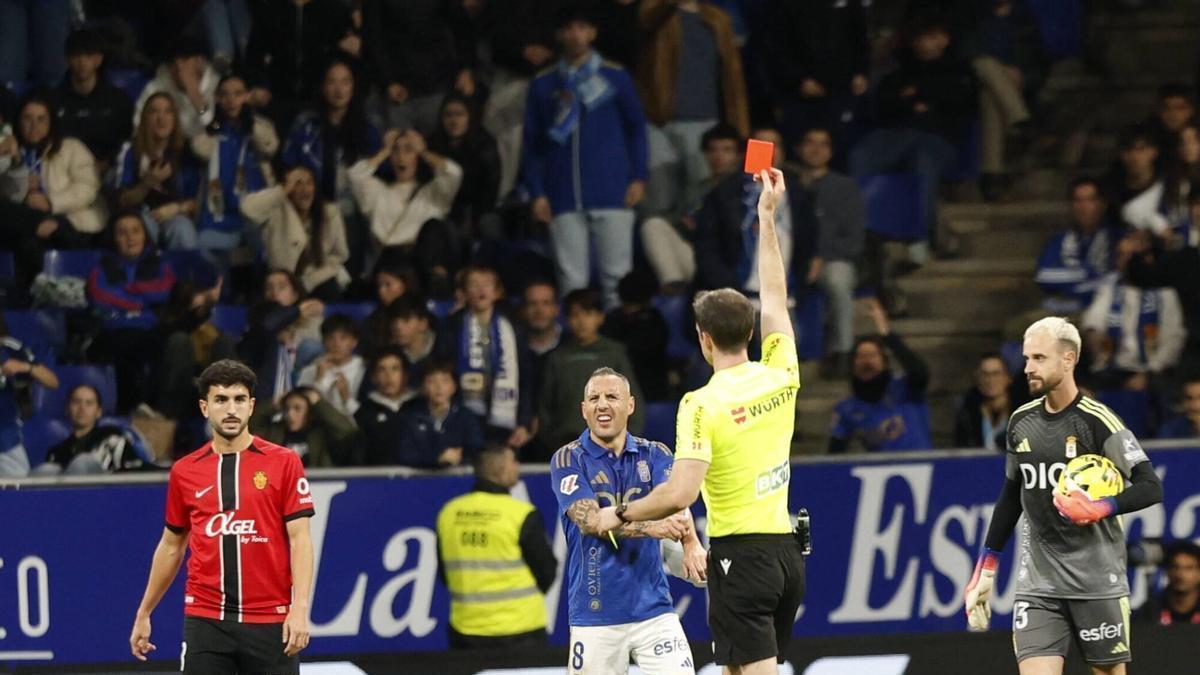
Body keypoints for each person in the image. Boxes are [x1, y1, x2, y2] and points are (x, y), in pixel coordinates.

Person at [595, 169, 805, 674]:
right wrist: (767, 217)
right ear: (750, 331)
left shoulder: (701, 403)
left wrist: (620, 514)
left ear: (703, 338)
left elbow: (679, 494)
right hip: (785, 559)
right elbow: (775, 294)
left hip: (740, 559)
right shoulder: (782, 373)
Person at [962, 317, 1163, 675]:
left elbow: (1150, 485)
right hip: (1037, 586)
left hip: (1096, 582)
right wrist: (987, 567)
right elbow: (1011, 495)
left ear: (1068, 359)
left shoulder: (1098, 421)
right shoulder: (1020, 422)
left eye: (1039, 358)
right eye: (1026, 359)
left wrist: (1100, 507)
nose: (1027, 368)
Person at [130, 360, 314, 672]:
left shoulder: (284, 463)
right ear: (204, 407)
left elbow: (300, 541)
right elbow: (172, 545)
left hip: (270, 620)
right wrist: (144, 612)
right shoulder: (185, 471)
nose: (231, 409)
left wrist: (300, 609)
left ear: (252, 406)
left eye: (239, 400)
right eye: (221, 400)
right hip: (206, 621)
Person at [549, 367, 701, 674]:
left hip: (654, 611)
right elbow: (590, 520)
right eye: (594, 398)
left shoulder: (655, 454)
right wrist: (651, 526)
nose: (602, 404)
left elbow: (675, 500)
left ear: (630, 405)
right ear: (583, 410)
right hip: (595, 616)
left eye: (611, 397)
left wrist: (691, 542)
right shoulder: (568, 459)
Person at [522, 5, 649, 310]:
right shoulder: (544, 83)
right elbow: (532, 144)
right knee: (571, 282)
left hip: (612, 190)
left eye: (582, 28)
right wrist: (537, 192)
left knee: (616, 279)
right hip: (563, 194)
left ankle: (615, 348)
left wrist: (639, 176)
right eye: (570, 28)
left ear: (593, 33)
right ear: (560, 34)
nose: (576, 35)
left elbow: (637, 129)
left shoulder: (616, 77)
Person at [849, 18, 976, 246]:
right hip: (895, 136)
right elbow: (883, 106)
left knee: (923, 161)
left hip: (938, 140)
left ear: (944, 39)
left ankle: (920, 237)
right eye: (921, 37)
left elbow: (959, 104)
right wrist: (917, 102)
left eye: (932, 36)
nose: (925, 43)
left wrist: (915, 96)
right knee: (861, 155)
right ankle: (858, 234)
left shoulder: (960, 69)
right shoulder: (899, 71)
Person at [436, 443, 557, 649]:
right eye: (513, 462)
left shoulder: (449, 512)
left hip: (467, 631)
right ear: (500, 470)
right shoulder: (521, 514)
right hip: (521, 631)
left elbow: (445, 575)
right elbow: (547, 572)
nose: (517, 466)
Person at [637, 0, 749, 216]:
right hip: (658, 122)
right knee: (659, 201)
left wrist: (738, 123)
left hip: (704, 122)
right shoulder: (656, 11)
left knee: (698, 199)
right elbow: (647, 21)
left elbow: (732, 75)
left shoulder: (718, 19)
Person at [0, 92, 106, 284]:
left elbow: (88, 187)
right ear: (18, 121)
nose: (34, 125)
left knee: (52, 235)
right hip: (23, 227)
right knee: (27, 243)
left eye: (41, 119)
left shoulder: (70, 147)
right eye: (28, 118)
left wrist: (50, 203)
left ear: (51, 122)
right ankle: (36, 297)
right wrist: (17, 167)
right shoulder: (8, 150)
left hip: (68, 218)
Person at [348, 127, 463, 296]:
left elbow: (453, 173)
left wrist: (424, 152)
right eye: (396, 151)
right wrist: (384, 151)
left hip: (419, 264)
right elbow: (355, 176)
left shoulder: (432, 192)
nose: (401, 157)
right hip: (388, 260)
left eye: (409, 150)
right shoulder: (378, 191)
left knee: (434, 227)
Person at [86, 212, 177, 414]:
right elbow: (100, 296)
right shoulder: (102, 266)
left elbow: (164, 291)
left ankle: (152, 409)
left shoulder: (160, 263)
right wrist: (139, 302)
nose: (130, 238)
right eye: (123, 233)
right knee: (110, 350)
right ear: (114, 238)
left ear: (145, 234)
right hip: (114, 329)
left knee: (165, 347)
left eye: (136, 231)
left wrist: (131, 289)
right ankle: (124, 411)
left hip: (150, 329)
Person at [436, 265, 534, 447]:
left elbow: (526, 378)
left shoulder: (514, 327)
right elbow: (442, 372)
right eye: (474, 284)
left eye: (487, 284)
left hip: (505, 421)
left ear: (497, 292)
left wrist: (524, 422)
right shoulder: (451, 327)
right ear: (464, 292)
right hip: (462, 418)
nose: (481, 290)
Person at [538, 289, 646, 451]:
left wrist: (624, 441)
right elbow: (545, 408)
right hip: (567, 446)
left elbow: (633, 400)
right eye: (575, 315)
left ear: (600, 317)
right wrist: (554, 442)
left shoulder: (615, 354)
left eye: (588, 313)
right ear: (566, 319)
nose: (581, 321)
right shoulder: (557, 358)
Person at [640, 122, 742, 290]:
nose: (718, 156)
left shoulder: (745, 188)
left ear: (738, 155)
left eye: (726, 150)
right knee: (652, 224)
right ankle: (674, 285)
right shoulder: (695, 190)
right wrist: (684, 223)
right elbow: (677, 218)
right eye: (712, 150)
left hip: (730, 260)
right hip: (696, 257)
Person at [798, 127, 866, 377]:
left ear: (831, 151)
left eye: (822, 144)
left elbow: (854, 242)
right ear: (799, 148)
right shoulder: (786, 184)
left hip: (833, 260)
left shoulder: (845, 187)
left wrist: (820, 257)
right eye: (810, 142)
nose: (815, 149)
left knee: (838, 279)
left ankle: (843, 352)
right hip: (789, 259)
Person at [829, 298, 932, 453]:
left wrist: (887, 335)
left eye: (872, 355)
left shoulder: (906, 388)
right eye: (861, 356)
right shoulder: (847, 409)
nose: (867, 361)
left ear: (884, 361)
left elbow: (920, 371)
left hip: (922, 469)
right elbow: (834, 454)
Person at [190, 72, 277, 252]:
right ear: (217, 98)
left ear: (247, 96)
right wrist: (214, 123)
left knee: (270, 246)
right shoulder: (210, 130)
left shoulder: (259, 126)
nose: (231, 100)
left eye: (238, 94)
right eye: (225, 95)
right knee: (202, 248)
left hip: (255, 215)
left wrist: (250, 121)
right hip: (217, 218)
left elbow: (270, 146)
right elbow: (200, 149)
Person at [361, 0, 477, 135]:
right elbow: (373, 39)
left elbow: (463, 28)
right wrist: (387, 82)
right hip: (397, 92)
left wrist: (466, 69)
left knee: (437, 149)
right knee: (399, 150)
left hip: (438, 85)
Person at [240, 164, 351, 300]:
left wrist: (310, 282)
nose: (305, 189)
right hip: (282, 278)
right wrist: (283, 190)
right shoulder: (276, 208)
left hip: (317, 277)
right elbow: (247, 208)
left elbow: (339, 255)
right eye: (297, 183)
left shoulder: (330, 212)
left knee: (330, 290)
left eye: (309, 183)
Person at [244, 0, 357, 134]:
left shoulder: (334, 9)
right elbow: (253, 55)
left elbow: (346, 54)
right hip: (278, 98)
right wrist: (259, 84)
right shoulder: (270, 9)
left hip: (322, 100)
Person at [113, 91, 202, 250]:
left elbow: (198, 201)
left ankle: (186, 274)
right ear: (145, 118)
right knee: (141, 227)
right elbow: (123, 201)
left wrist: (176, 208)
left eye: (168, 112)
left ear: (175, 119)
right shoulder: (131, 151)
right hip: (142, 215)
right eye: (154, 112)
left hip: (176, 214)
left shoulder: (187, 152)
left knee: (182, 227)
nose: (161, 118)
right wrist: (148, 183)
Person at [51, 27, 135, 172]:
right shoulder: (53, 99)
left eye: (88, 55)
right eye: (76, 55)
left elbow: (128, 140)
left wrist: (108, 162)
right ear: (67, 59)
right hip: (63, 172)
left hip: (109, 173)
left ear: (99, 59)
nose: (82, 62)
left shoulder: (118, 100)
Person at [1034, 178, 1120, 314]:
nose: (1083, 207)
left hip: (1106, 311)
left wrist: (1071, 283)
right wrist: (1089, 274)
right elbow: (1044, 276)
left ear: (1102, 204)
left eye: (1090, 200)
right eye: (1078, 201)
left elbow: (1115, 279)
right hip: (1064, 308)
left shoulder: (1116, 238)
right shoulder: (1059, 240)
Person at [239, 270, 325, 403]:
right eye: (269, 288)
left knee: (310, 347)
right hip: (268, 387)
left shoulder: (312, 322)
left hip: (304, 383)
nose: (274, 292)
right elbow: (268, 326)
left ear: (295, 294)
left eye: (281, 287)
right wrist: (298, 311)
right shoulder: (258, 323)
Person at [427, 92, 502, 241]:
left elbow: (491, 187)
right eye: (448, 115)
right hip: (445, 208)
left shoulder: (484, 143)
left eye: (459, 114)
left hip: (480, 208)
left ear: (470, 117)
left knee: (490, 224)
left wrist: (473, 217)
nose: (453, 121)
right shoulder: (433, 144)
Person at [38, 384, 148, 475]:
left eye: (89, 403)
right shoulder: (56, 452)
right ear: (67, 409)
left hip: (106, 496)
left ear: (99, 411)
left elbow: (134, 472)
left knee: (83, 462)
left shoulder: (113, 438)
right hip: (62, 498)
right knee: (46, 470)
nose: (82, 408)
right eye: (77, 402)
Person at [0, 314, 60, 477]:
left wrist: (25, 367)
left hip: (4, 442)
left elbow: (52, 381)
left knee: (18, 497)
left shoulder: (7, 348)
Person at [398, 362, 485, 469]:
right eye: (432, 381)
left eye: (445, 381)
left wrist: (457, 458)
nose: (439, 387)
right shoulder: (410, 416)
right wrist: (437, 459)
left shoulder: (466, 417)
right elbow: (405, 455)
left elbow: (476, 451)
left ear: (453, 387)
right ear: (423, 387)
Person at [133, 37, 220, 140]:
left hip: (206, 149)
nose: (179, 67)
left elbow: (216, 131)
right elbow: (138, 124)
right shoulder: (158, 85)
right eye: (173, 63)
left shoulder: (216, 84)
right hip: (170, 146)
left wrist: (196, 97)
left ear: (198, 60)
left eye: (185, 60)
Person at [250, 386, 357, 467]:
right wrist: (273, 405)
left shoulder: (321, 433)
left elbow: (347, 430)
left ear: (309, 412)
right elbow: (248, 426)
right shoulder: (275, 431)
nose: (290, 414)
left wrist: (319, 404)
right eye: (287, 408)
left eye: (297, 408)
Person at [354, 347, 419, 466]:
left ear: (405, 375)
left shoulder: (420, 406)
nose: (389, 376)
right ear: (374, 377)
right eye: (381, 370)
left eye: (395, 369)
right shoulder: (364, 412)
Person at [296, 314, 366, 419]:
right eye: (331, 338)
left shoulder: (364, 370)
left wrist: (346, 397)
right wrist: (318, 382)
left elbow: (366, 417)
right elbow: (300, 413)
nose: (336, 344)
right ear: (323, 342)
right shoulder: (309, 371)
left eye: (343, 338)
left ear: (354, 342)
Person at [954, 352, 1020, 450]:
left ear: (1008, 378)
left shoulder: (1022, 412)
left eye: (996, 374)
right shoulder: (967, 413)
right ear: (977, 378)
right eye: (985, 374)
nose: (990, 380)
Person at [1138, 541, 1200, 626]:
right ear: (1167, 571)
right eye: (1175, 567)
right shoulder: (1150, 610)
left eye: (1189, 568)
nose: (1180, 575)